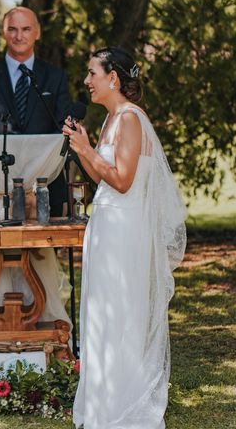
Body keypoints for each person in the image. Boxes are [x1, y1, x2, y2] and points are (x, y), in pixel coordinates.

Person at [63, 47, 187, 428]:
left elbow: (123, 180)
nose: (87, 81)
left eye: (92, 73)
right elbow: (102, 177)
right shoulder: (111, 120)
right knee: (102, 314)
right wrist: (84, 147)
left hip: (123, 231)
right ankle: (103, 402)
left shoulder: (131, 120)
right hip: (107, 227)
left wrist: (86, 150)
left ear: (112, 78)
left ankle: (123, 406)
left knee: (120, 314)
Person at [0, 6, 73, 327]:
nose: (19, 36)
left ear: (37, 32)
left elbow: (64, 128)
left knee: (43, 269)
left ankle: (48, 339)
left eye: (26, 29)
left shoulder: (55, 77)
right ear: (3, 33)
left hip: (44, 195)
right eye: (12, 29)